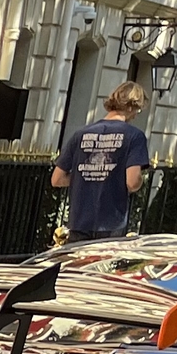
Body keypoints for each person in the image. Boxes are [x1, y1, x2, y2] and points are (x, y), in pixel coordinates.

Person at [50, 83, 150, 241]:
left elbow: (57, 179)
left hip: (79, 220)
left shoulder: (80, 134)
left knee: (77, 265)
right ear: (131, 106)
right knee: (103, 265)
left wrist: (86, 176)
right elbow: (132, 182)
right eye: (137, 110)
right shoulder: (134, 136)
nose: (136, 115)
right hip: (111, 222)